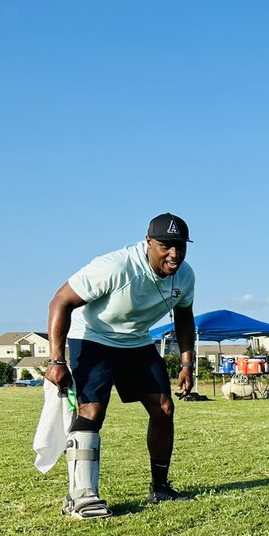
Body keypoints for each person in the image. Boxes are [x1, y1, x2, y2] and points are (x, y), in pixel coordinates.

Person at [45, 213, 197, 518]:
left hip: (137, 342)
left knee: (164, 408)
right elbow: (60, 301)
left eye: (180, 246)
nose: (174, 254)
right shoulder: (116, 267)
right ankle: (81, 497)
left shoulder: (184, 275)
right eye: (166, 246)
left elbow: (184, 316)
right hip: (93, 338)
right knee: (92, 410)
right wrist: (57, 360)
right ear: (149, 242)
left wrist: (187, 363)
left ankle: (161, 488)